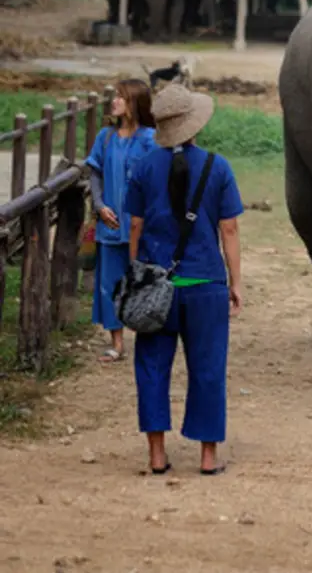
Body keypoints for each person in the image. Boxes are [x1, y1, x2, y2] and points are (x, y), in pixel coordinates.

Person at [126, 84, 243, 476]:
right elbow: (229, 229)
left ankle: (157, 455)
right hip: (206, 287)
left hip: (156, 287)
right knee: (208, 367)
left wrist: (135, 274)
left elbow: (136, 225)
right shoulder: (218, 167)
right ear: (195, 123)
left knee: (152, 367)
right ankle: (208, 457)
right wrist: (236, 283)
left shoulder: (143, 166)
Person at [85, 79, 156, 363]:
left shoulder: (151, 139)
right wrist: (99, 205)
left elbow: (158, 180)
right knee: (109, 284)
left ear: (134, 103)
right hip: (110, 226)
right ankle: (116, 342)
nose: (114, 101)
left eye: (120, 97)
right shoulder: (105, 137)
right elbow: (94, 174)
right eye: (114, 96)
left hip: (142, 226)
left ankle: (146, 337)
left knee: (143, 282)